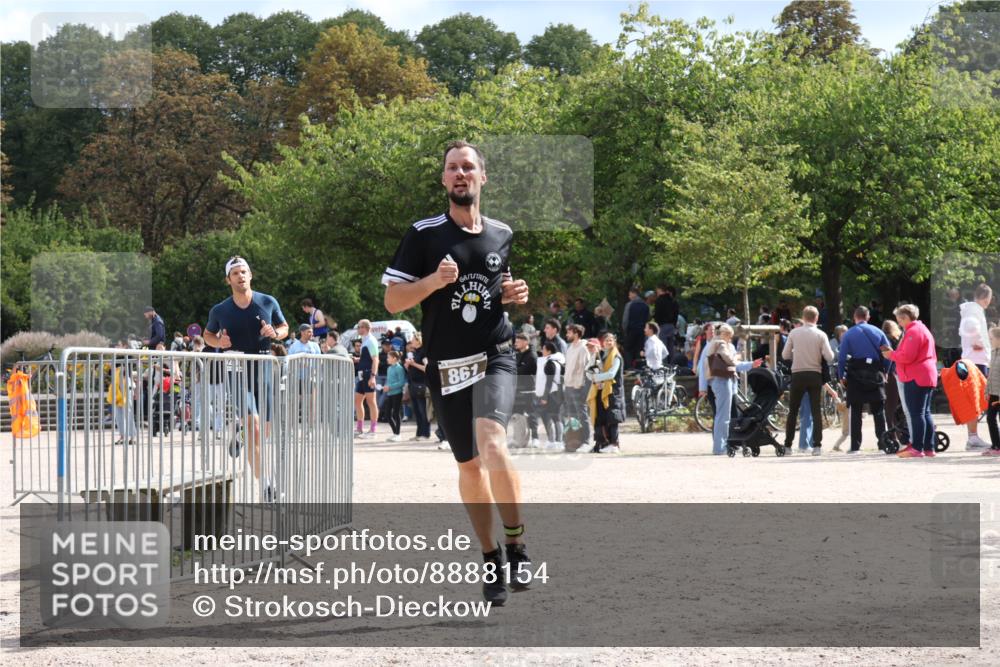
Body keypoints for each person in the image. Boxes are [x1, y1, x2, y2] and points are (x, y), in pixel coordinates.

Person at [381, 139, 532, 605]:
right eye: (453, 168)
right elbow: (393, 301)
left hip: (494, 355)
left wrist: (511, 294)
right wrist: (433, 282)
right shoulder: (424, 234)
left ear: (482, 177)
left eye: (469, 167)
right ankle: (489, 557)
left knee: (492, 445)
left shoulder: (502, 233)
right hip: (446, 366)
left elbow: (491, 289)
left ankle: (515, 544)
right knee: (468, 465)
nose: (461, 174)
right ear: (444, 179)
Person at [203, 256, 288, 502]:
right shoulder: (220, 310)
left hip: (263, 367)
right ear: (228, 279)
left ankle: (240, 435)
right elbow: (208, 334)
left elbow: (284, 328)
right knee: (256, 427)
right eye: (236, 273)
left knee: (264, 432)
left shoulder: (267, 301)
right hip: (236, 368)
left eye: (244, 272)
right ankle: (266, 487)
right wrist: (219, 342)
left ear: (250, 275)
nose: (241, 276)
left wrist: (275, 333)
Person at [883, 304, 938, 458]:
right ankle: (929, 447)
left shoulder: (913, 331)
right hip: (926, 374)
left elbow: (908, 356)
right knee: (925, 413)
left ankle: (917, 447)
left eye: (899, 320)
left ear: (905, 317)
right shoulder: (922, 329)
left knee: (916, 413)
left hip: (916, 376)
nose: (899, 323)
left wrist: (891, 355)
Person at [698, 324, 761, 454]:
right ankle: (720, 447)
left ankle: (721, 446)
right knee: (724, 416)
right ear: (726, 334)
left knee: (721, 415)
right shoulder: (721, 344)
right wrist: (739, 357)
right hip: (722, 380)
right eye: (730, 336)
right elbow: (731, 361)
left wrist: (749, 364)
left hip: (716, 381)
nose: (731, 339)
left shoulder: (712, 343)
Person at [836, 306, 890, 454]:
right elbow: (888, 353)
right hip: (875, 372)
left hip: (855, 374)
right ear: (868, 317)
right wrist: (885, 370)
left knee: (856, 411)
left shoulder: (848, 334)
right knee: (878, 411)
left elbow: (841, 358)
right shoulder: (878, 332)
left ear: (855, 317)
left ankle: (855, 446)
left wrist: (841, 375)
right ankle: (882, 444)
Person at [781, 306, 834, 455]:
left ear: (803, 318)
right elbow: (829, 356)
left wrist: (796, 354)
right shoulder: (821, 334)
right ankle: (817, 446)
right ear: (816, 318)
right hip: (814, 375)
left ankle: (787, 446)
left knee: (793, 411)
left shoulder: (794, 333)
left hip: (797, 374)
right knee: (816, 411)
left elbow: (785, 355)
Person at [959, 283, 993, 450]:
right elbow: (972, 328)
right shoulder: (974, 310)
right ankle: (973, 437)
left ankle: (973, 436)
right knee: (976, 398)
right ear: (986, 298)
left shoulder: (971, 309)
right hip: (976, 360)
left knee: (975, 398)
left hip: (973, 358)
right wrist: (978, 342)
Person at [587, 333, 626, 454]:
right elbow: (590, 370)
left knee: (613, 418)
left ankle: (614, 444)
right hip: (604, 390)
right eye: (606, 340)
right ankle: (605, 443)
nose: (608, 342)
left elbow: (611, 374)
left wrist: (596, 378)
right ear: (603, 342)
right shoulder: (603, 356)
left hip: (614, 391)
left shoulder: (616, 357)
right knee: (605, 418)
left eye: (610, 340)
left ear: (614, 342)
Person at [563, 324, 592, 450]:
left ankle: (586, 441)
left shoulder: (583, 348)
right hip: (568, 385)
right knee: (571, 415)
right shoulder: (569, 348)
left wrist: (579, 386)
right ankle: (574, 441)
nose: (567, 335)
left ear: (576, 333)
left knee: (582, 415)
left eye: (569, 332)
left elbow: (584, 369)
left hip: (577, 386)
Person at [352, 320, 380, 438]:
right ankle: (359, 428)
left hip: (368, 374)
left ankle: (373, 431)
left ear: (366, 328)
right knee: (358, 401)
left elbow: (375, 359)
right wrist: (358, 360)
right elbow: (368, 358)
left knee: (371, 402)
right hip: (362, 375)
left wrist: (373, 377)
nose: (358, 329)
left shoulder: (371, 340)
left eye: (360, 327)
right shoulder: (365, 340)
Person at [534, 341, 565, 448]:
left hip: (552, 393)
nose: (542, 351)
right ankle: (558, 441)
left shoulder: (549, 363)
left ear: (549, 351)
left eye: (543, 349)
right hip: (559, 392)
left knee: (549, 416)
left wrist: (544, 396)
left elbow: (549, 381)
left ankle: (554, 441)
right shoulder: (559, 361)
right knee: (556, 417)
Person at [513, 333, 540, 448]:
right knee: (518, 415)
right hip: (518, 390)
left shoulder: (532, 356)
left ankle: (535, 438)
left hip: (529, 390)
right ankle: (519, 440)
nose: (516, 343)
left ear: (526, 342)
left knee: (531, 415)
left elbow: (522, 371)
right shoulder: (517, 354)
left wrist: (515, 369)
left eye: (518, 341)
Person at [404, 333, 431, 441]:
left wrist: (413, 364)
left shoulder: (424, 352)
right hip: (413, 384)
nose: (411, 341)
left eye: (413, 340)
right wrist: (408, 366)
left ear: (419, 341)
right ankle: (419, 433)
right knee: (417, 410)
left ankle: (426, 433)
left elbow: (426, 368)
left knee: (423, 410)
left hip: (422, 384)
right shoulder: (415, 353)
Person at [621, 287, 649, 369]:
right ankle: (639, 367)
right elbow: (647, 319)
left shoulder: (629, 305)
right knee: (639, 349)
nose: (629, 296)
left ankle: (629, 367)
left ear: (634, 293)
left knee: (628, 349)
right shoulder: (645, 305)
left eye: (629, 294)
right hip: (641, 331)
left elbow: (625, 320)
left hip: (631, 330)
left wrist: (625, 331)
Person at [983, 326, 1000, 456]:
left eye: (991, 338)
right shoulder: (994, 352)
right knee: (990, 418)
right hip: (993, 392)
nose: (990, 341)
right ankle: (996, 445)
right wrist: (987, 390)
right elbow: (991, 373)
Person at [382, 350, 406, 442]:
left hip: (397, 394)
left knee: (396, 413)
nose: (387, 359)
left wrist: (390, 387)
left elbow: (401, 382)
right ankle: (395, 433)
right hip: (390, 394)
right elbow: (389, 381)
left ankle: (398, 434)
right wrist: (386, 387)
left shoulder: (399, 368)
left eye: (389, 357)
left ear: (394, 358)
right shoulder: (389, 368)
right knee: (388, 414)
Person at [653, 285, 679, 356]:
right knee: (671, 347)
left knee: (663, 347)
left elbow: (657, 314)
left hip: (662, 325)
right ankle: (671, 364)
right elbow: (676, 314)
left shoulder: (659, 300)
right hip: (671, 326)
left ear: (660, 290)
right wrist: (674, 324)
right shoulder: (673, 301)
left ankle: (664, 365)